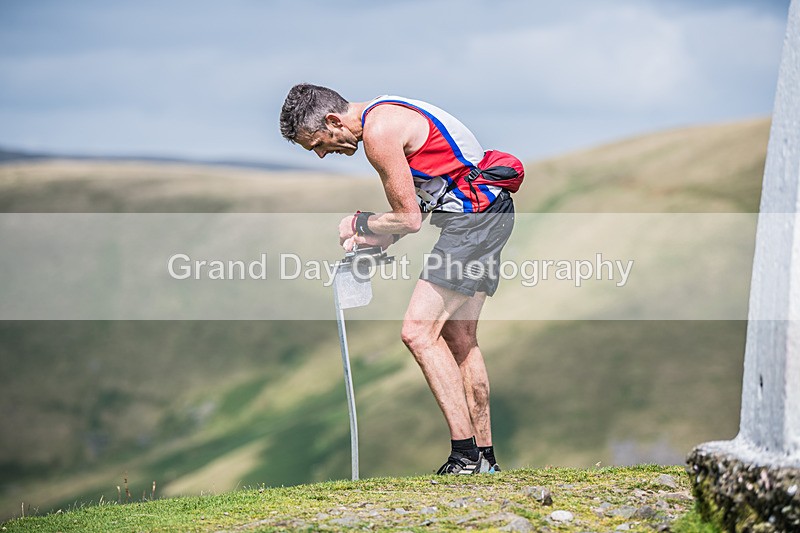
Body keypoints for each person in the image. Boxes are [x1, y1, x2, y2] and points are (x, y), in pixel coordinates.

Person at [279, 83, 519, 475]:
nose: (323, 153)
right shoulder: (389, 110)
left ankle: (465, 457)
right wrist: (378, 234)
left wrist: (358, 221)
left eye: (319, 143)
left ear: (332, 119)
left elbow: (406, 219)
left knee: (418, 332)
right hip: (491, 213)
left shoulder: (378, 133)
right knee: (459, 338)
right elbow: (421, 207)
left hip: (473, 223)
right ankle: (486, 459)